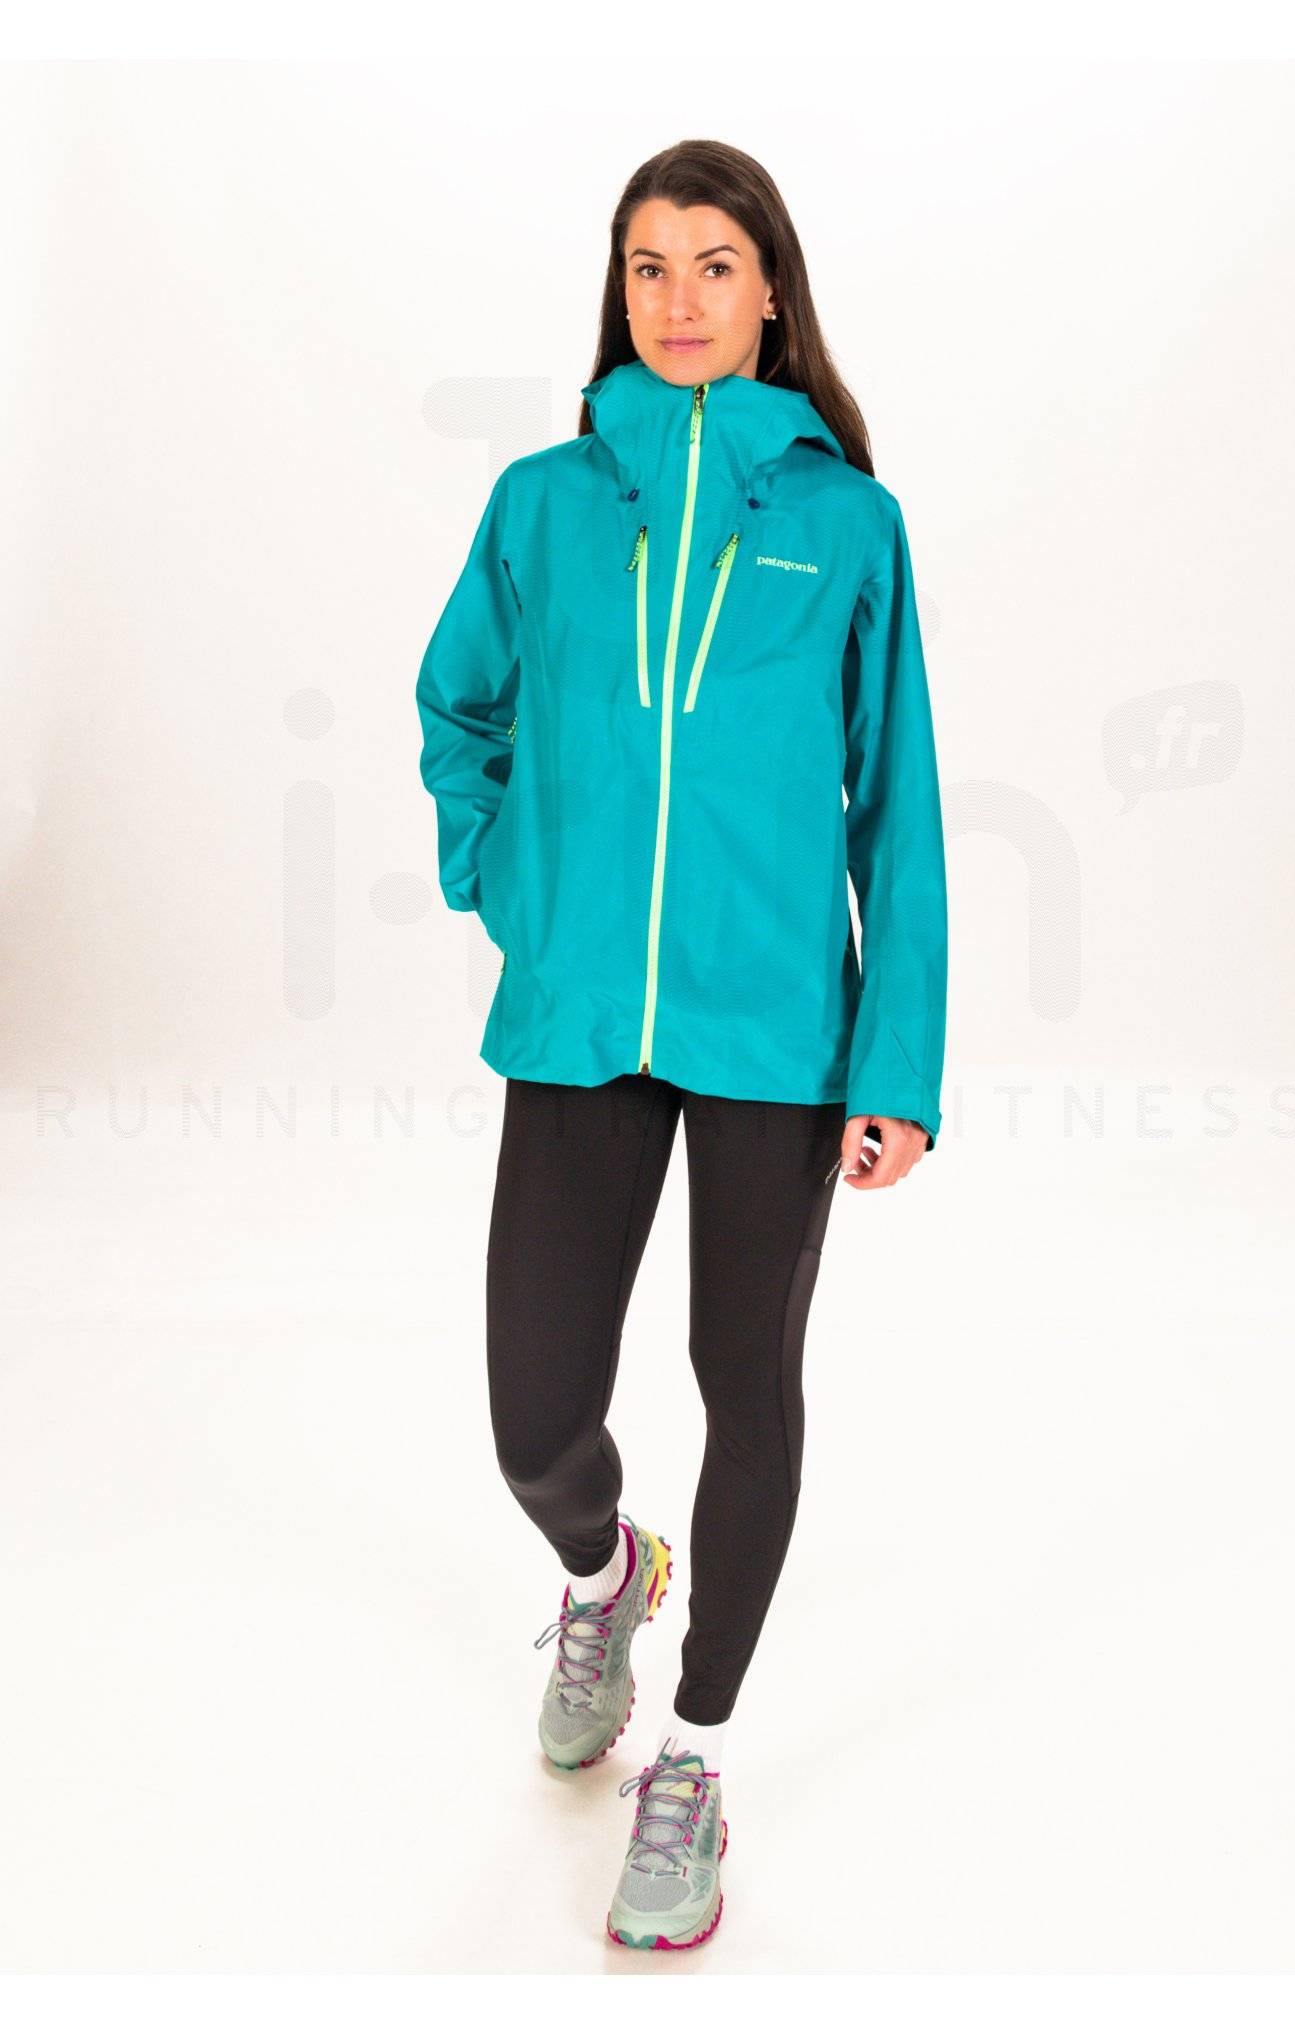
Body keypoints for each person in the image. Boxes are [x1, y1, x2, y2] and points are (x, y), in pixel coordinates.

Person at [415, 137, 947, 1952]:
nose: (680, 298)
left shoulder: (849, 524)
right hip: (581, 1019)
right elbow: (459, 705)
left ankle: (696, 1754)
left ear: (772, 290)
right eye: (649, 266)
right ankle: (605, 1569)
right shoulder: (544, 502)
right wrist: (511, 880)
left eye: (715, 264)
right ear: (618, 289)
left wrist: (897, 1063)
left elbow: (900, 806)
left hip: (776, 1032)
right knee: (532, 1409)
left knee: (746, 1373)